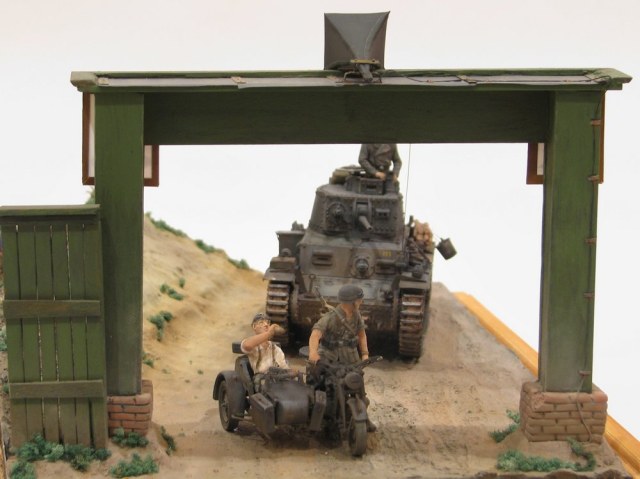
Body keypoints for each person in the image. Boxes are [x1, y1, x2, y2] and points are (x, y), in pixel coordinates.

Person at [308, 284, 376, 431]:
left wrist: (365, 353)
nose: (361, 302)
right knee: (322, 382)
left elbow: (362, 334)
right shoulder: (330, 317)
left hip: (350, 355)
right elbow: (315, 334)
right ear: (351, 302)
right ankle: (319, 416)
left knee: (357, 382)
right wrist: (313, 353)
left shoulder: (356, 315)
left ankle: (364, 417)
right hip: (329, 355)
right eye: (359, 300)